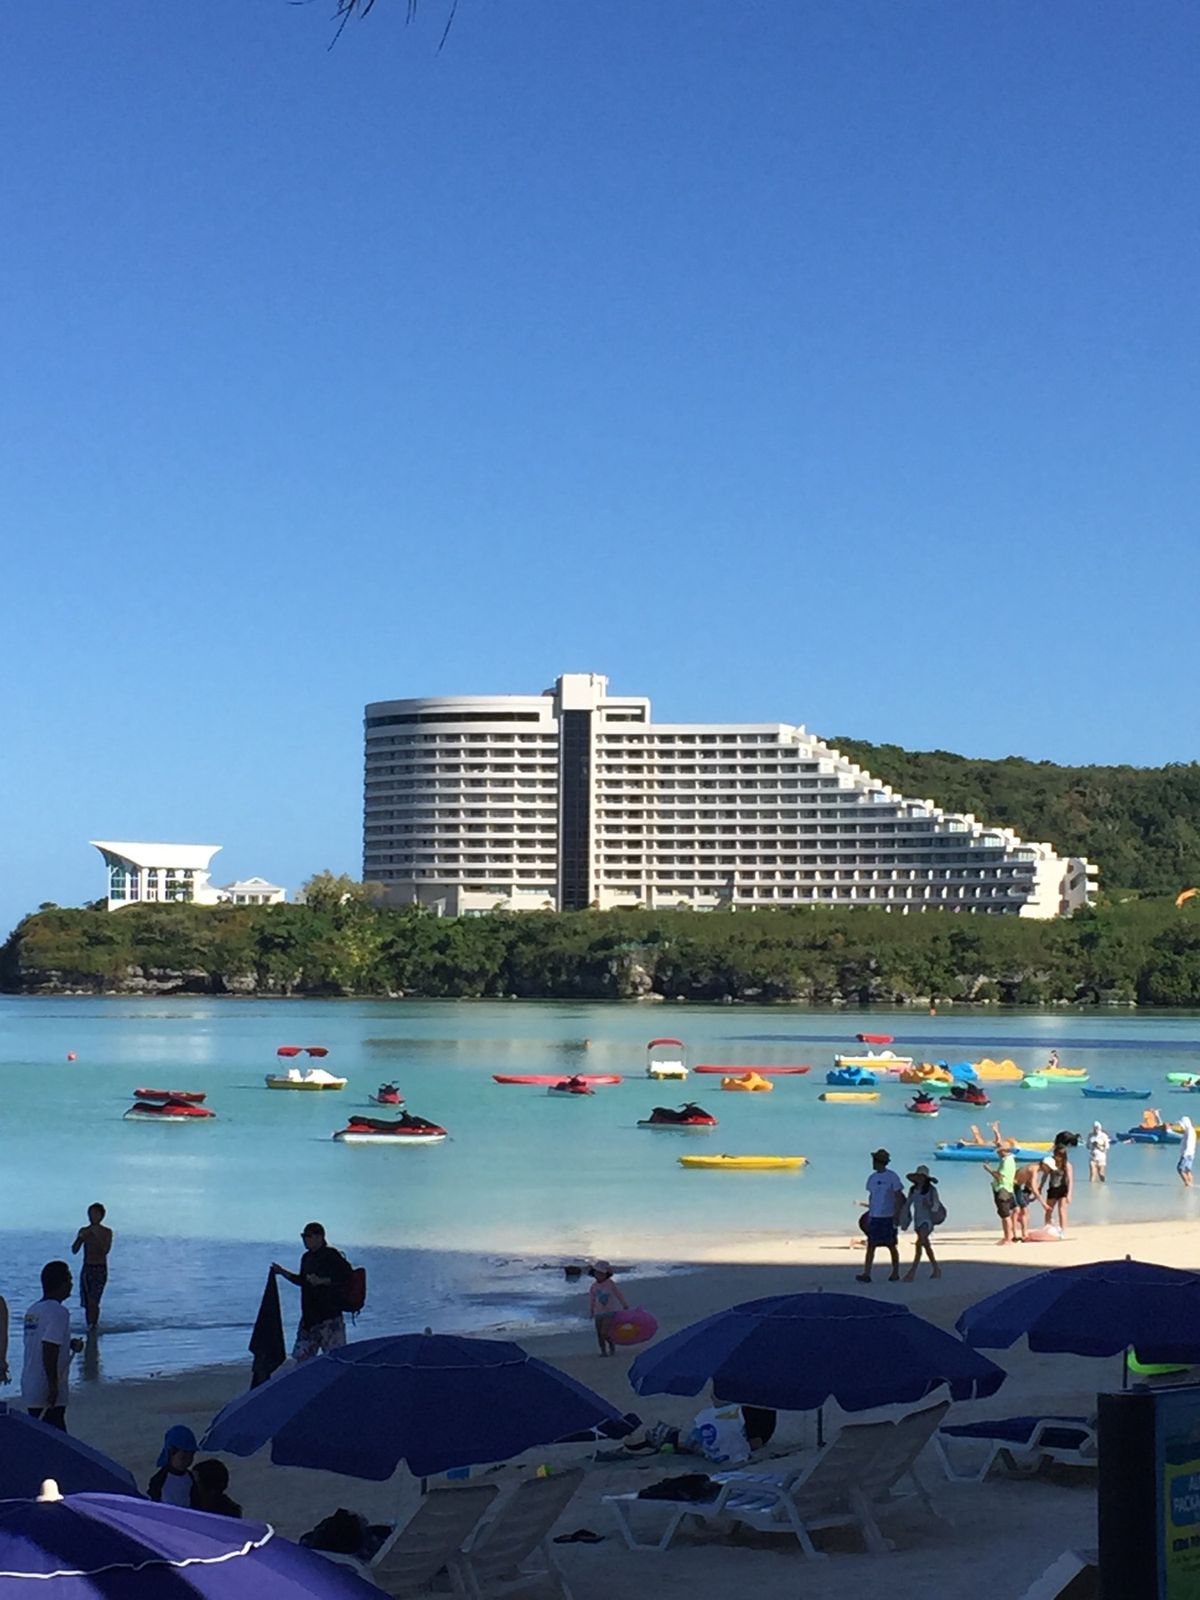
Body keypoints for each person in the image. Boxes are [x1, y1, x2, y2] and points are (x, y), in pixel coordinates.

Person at [271, 1222, 353, 1362]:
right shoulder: (306, 1258)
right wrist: (282, 1272)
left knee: (336, 1360)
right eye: (303, 1236)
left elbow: (347, 1277)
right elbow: (302, 1281)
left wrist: (322, 1281)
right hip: (309, 1319)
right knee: (301, 1361)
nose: (305, 1239)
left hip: (329, 1318)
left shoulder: (331, 1255)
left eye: (309, 1236)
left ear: (319, 1237)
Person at [21, 1261, 84, 1431]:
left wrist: (70, 1344)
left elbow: (39, 1341)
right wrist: (53, 1385)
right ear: (61, 1283)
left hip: (30, 1384)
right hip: (45, 1387)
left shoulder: (33, 1310)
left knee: (41, 1434)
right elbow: (49, 1347)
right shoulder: (59, 1312)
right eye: (69, 1280)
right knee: (56, 1437)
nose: (71, 1284)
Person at [856, 1148, 904, 1284]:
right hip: (875, 1216)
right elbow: (872, 1196)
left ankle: (895, 1272)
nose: (873, 1163)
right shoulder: (872, 1178)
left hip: (888, 1216)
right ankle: (867, 1273)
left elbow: (899, 1196)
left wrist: (897, 1213)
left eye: (875, 1161)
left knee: (891, 1245)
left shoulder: (892, 1176)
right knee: (871, 1245)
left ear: (880, 1162)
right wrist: (870, 1213)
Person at [70, 1203, 113, 1330]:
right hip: (87, 1267)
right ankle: (90, 1324)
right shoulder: (84, 1230)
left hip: (100, 1268)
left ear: (101, 1216)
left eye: (95, 1214)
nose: (92, 1217)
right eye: (90, 1214)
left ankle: (94, 1325)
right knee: (87, 1302)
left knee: (95, 1300)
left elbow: (105, 1250)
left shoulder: (106, 1232)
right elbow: (74, 1249)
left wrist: (96, 1235)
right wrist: (81, 1238)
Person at [900, 1166, 944, 1281]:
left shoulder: (931, 1190)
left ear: (925, 1178)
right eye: (918, 1176)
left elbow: (936, 1205)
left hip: (927, 1220)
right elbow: (907, 1205)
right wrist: (904, 1219)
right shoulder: (912, 1190)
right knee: (925, 1245)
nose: (919, 1179)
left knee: (919, 1244)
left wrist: (929, 1205)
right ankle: (936, 1268)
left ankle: (912, 1272)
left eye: (921, 1177)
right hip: (917, 1220)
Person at [147, 1425, 197, 1505]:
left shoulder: (190, 1478)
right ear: (171, 1453)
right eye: (183, 1457)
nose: (188, 1460)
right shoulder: (159, 1479)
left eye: (191, 1455)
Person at [588, 1262, 628, 1356]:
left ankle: (611, 1344)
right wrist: (591, 1311)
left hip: (609, 1312)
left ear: (606, 1274)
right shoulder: (593, 1286)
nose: (599, 1275)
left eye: (602, 1273)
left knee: (604, 1333)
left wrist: (624, 1304)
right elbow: (592, 1300)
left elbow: (618, 1294)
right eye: (597, 1273)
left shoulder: (610, 1283)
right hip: (598, 1313)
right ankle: (603, 1352)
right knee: (599, 1335)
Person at [982, 1139, 1017, 1245]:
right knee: (1006, 1215)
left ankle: (1008, 1238)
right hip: (1008, 1188)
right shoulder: (1010, 1159)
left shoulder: (1007, 1162)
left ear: (1004, 1151)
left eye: (999, 1151)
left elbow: (1000, 1177)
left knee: (1005, 1215)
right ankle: (1007, 1237)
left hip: (1003, 1189)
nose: (997, 1153)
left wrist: (988, 1169)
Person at [1039, 1144, 1074, 1233]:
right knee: (1049, 1209)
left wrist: (1069, 1193)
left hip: (1063, 1189)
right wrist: (1040, 1187)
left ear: (1063, 1156)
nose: (1056, 1157)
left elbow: (1070, 1180)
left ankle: (1063, 1230)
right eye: (1055, 1154)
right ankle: (1047, 1227)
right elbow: (1045, 1176)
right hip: (1053, 1188)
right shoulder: (1051, 1163)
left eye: (1058, 1155)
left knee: (1062, 1210)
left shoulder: (1067, 1165)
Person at [1012, 1161, 1040, 1241]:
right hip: (1022, 1192)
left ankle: (1023, 1232)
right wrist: (1037, 1195)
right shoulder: (1030, 1174)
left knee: (1023, 1213)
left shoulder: (1028, 1173)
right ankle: (1022, 1233)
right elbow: (1031, 1186)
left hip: (1022, 1192)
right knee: (1023, 1212)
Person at [1178, 1117, 1196, 1188]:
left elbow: (1189, 1143)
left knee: (1180, 1169)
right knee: (1187, 1170)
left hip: (1187, 1154)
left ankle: (1187, 1184)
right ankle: (1191, 1184)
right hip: (1191, 1153)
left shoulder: (1189, 1131)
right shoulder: (1190, 1130)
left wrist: (1185, 1154)